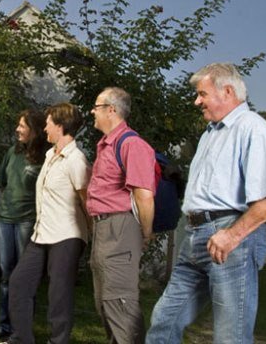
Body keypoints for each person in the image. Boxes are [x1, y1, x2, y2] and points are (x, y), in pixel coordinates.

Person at [146, 63, 266, 343]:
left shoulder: (252, 128)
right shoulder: (209, 135)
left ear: (227, 91)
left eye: (202, 94)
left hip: (229, 237)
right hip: (194, 237)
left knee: (230, 336)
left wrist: (232, 235)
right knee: (164, 321)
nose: (196, 101)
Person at [6, 103, 91, 344]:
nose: (44, 127)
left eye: (49, 123)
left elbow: (88, 204)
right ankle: (21, 339)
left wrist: (91, 239)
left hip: (67, 236)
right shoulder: (49, 155)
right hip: (41, 234)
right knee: (19, 283)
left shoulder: (77, 161)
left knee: (59, 295)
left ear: (61, 126)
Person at [87, 87, 157, 344]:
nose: (92, 112)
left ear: (111, 110)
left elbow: (144, 195)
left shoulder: (132, 144)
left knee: (120, 303)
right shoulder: (107, 145)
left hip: (120, 228)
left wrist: (146, 233)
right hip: (104, 230)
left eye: (96, 106)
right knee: (105, 304)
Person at [0, 109, 50, 340]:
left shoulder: (45, 157)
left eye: (22, 126)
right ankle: (4, 327)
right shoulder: (11, 152)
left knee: (24, 278)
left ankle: (21, 330)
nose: (17, 129)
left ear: (34, 131)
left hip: (28, 222)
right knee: (7, 275)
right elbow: (2, 182)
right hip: (4, 220)